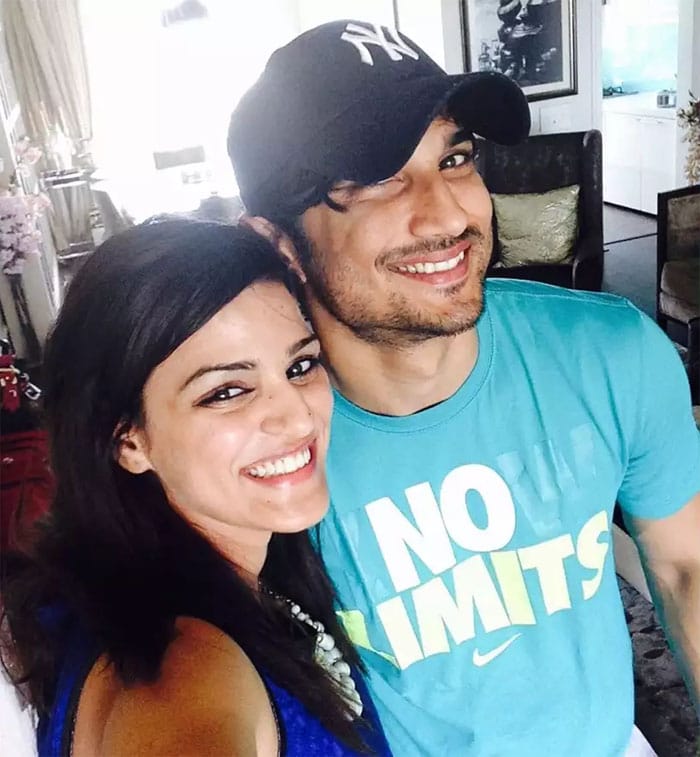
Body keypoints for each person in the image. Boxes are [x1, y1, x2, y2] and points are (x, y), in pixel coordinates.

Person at [227, 19, 700, 757]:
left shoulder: (613, 354)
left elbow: (683, 568)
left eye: (454, 158)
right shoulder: (265, 451)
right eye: (379, 178)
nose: (450, 213)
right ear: (278, 242)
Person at [1, 219, 391, 756]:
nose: (299, 417)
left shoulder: (216, 585)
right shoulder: (185, 672)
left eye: (300, 365)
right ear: (128, 440)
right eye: (227, 391)